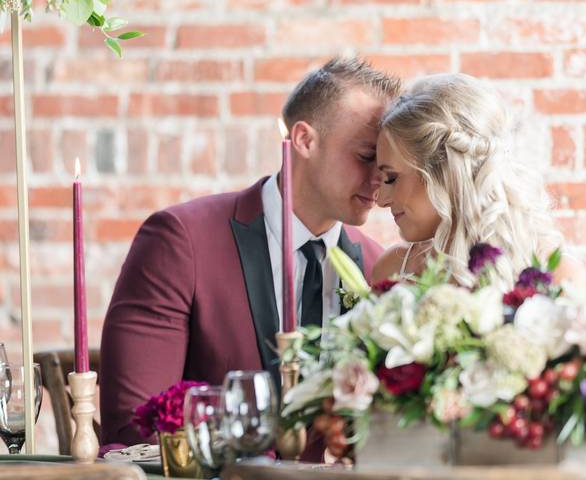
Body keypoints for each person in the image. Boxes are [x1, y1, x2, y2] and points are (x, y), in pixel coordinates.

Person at [101, 57, 399, 446]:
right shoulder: (181, 242)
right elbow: (133, 430)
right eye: (364, 156)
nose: (379, 179)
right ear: (305, 140)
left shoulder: (378, 267)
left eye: (387, 165)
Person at [372, 72, 586, 291]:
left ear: (445, 173)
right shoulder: (391, 274)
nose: (380, 200)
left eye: (391, 178)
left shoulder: (558, 277)